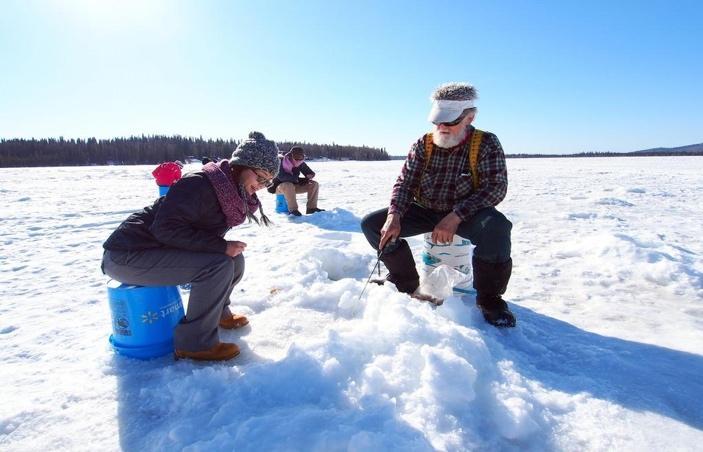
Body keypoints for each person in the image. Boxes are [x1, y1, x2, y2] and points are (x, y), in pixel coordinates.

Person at [102, 131, 280, 361]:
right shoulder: (199, 184)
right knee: (218, 265)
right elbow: (164, 229)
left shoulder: (228, 193)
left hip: (155, 249)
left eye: (267, 182)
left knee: (233, 260)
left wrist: (221, 248)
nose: (262, 186)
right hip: (127, 255)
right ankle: (195, 344)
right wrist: (219, 246)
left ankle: (218, 314)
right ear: (243, 165)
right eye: (261, 177)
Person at [360, 82, 516, 327]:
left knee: (496, 228)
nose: (441, 127)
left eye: (450, 122)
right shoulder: (424, 144)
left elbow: (495, 188)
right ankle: (407, 284)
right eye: (437, 122)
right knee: (372, 224)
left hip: (467, 214)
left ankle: (490, 299)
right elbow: (405, 183)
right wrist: (395, 214)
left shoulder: (485, 143)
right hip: (425, 210)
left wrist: (455, 216)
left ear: (469, 117)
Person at [268, 146, 324, 216]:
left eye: (300, 156)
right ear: (290, 155)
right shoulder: (280, 162)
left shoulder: (300, 163)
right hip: (278, 187)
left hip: (293, 186)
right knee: (288, 184)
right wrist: (299, 180)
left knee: (314, 184)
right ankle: (293, 210)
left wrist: (310, 175)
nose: (298, 159)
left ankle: (311, 208)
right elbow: (282, 178)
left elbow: (310, 172)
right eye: (296, 156)